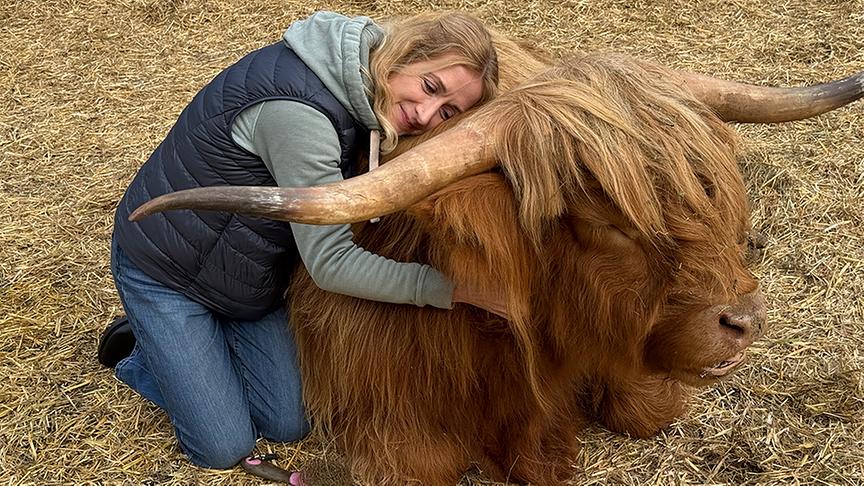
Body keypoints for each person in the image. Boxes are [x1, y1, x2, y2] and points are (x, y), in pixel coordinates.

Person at [98, 10, 501, 473]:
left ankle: (197, 357)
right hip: (166, 268)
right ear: (402, 56)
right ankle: (141, 352)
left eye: (448, 112)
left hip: (242, 279)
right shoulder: (302, 114)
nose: (426, 115)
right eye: (430, 87)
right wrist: (454, 289)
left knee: (290, 422)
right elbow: (331, 264)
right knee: (222, 447)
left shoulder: (363, 85)